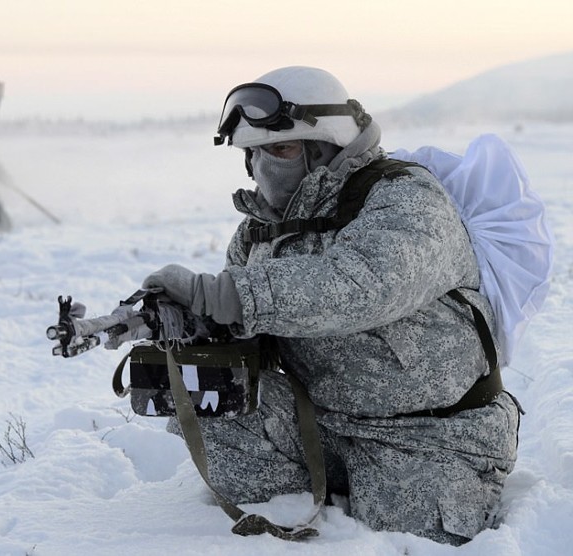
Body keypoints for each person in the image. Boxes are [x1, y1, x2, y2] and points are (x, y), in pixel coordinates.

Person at [139, 66, 520, 545]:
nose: (262, 167)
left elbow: (361, 286)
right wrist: (190, 322)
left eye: (279, 150)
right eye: (253, 153)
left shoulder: (405, 197)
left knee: (406, 542)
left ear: (325, 148)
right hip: (320, 421)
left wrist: (223, 293)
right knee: (204, 403)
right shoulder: (260, 232)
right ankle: (316, 497)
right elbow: (252, 332)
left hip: (431, 435)